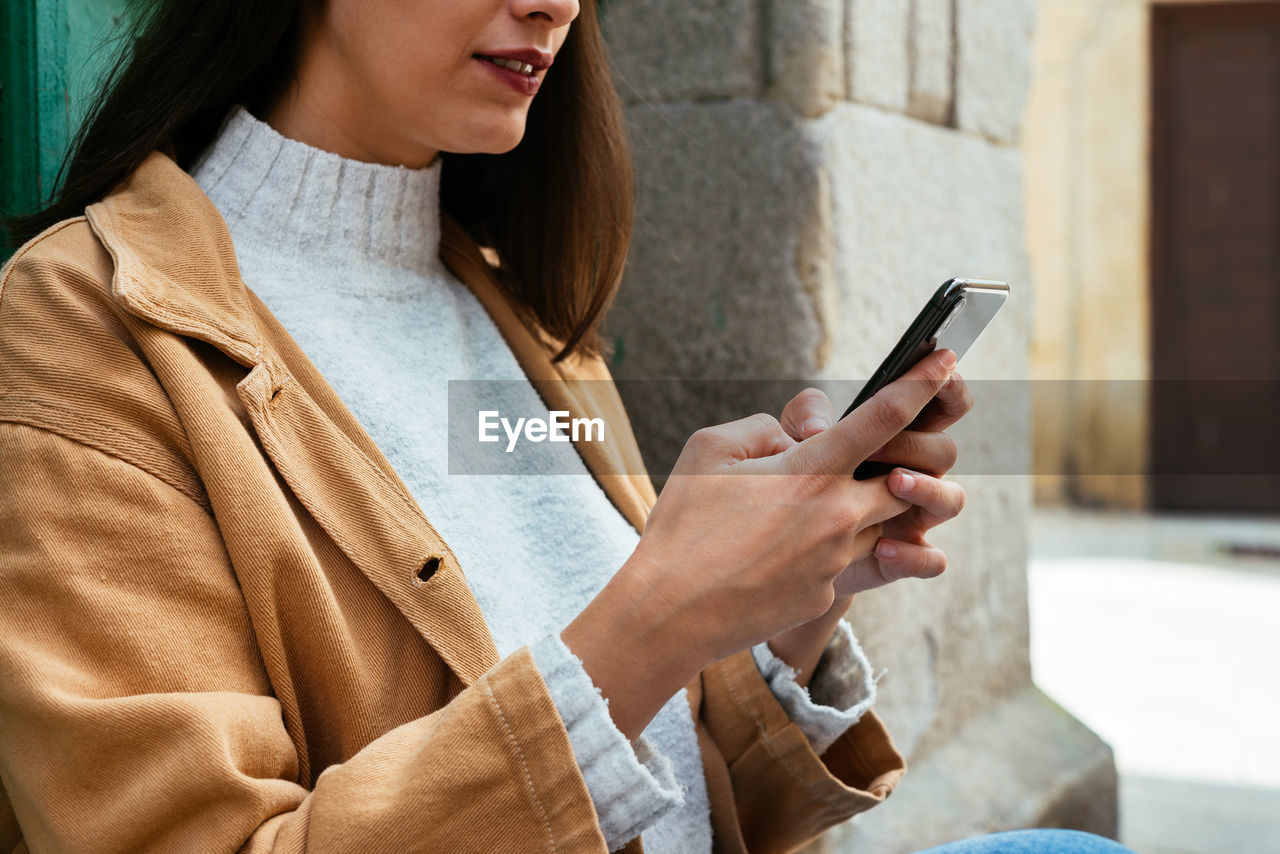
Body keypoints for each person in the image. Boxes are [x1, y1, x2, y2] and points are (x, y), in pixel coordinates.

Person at [0, 1, 1133, 852]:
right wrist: (651, 619)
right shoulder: (86, 325)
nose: (556, 1)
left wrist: (786, 600)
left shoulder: (519, 317)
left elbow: (672, 794)